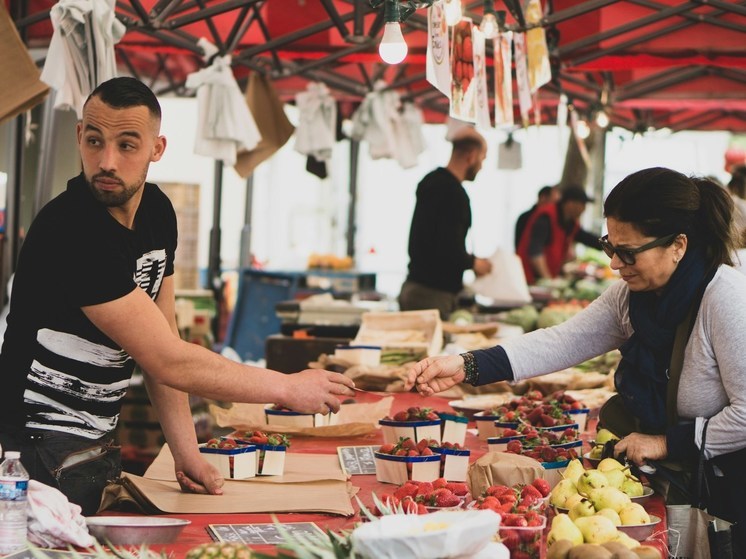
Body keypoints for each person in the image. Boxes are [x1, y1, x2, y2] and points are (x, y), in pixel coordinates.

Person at [0, 77, 355, 515]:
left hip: (92, 445)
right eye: (94, 141)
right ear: (79, 137)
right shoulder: (71, 230)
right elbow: (169, 359)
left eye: (127, 145)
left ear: (157, 148)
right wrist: (285, 387)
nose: (106, 161)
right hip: (30, 452)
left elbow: (165, 335)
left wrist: (186, 452)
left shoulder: (157, 213)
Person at [406, 167, 746, 550]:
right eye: (610, 247)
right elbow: (560, 342)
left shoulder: (725, 298)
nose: (615, 264)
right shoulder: (630, 297)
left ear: (678, 245)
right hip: (667, 484)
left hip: (724, 496)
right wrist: (465, 365)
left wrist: (666, 443)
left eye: (628, 252)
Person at [398, 127, 492, 320]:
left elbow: (435, 241)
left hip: (414, 288)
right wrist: (474, 263)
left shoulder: (431, 181)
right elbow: (447, 248)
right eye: (482, 159)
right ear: (471, 156)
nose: (482, 166)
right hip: (431, 296)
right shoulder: (454, 194)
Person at [516, 185, 600, 284]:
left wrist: (610, 244)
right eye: (582, 204)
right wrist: (549, 281)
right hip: (528, 280)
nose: (584, 209)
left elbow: (588, 238)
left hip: (546, 281)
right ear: (570, 204)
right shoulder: (545, 218)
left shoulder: (570, 223)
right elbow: (535, 252)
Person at [513, 185, 559, 250]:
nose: (554, 207)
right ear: (543, 197)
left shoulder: (552, 220)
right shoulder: (525, 218)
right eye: (553, 202)